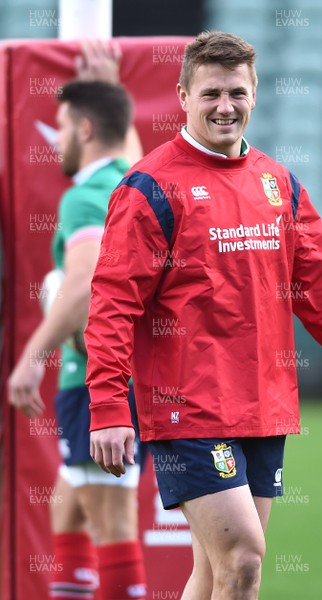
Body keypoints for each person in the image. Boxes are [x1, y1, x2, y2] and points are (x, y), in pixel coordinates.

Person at [85, 31, 322, 600]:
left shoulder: (279, 184)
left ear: (255, 93)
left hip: (264, 403)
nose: (225, 106)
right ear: (183, 95)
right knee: (243, 558)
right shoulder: (148, 189)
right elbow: (112, 304)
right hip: (186, 406)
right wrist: (110, 406)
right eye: (211, 92)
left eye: (237, 92)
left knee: (219, 573)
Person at [8, 43, 147, 600]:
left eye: (63, 125)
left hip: (95, 383)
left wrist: (29, 355)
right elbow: (126, 147)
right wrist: (116, 91)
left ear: (84, 129)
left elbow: (88, 284)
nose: (57, 138)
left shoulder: (85, 195)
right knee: (69, 515)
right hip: (124, 378)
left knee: (113, 528)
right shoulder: (133, 176)